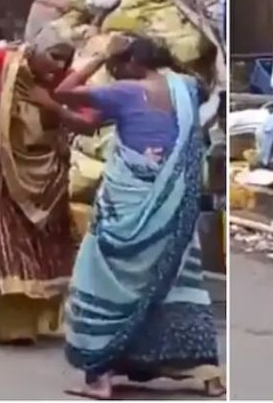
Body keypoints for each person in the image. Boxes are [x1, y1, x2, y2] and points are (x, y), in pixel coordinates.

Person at [49, 34, 225, 399]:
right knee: (179, 280)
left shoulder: (126, 90)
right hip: (174, 204)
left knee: (97, 275)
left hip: (129, 200)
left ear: (129, 63)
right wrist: (57, 115)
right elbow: (90, 123)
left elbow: (65, 91)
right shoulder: (186, 87)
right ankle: (209, 375)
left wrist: (98, 57)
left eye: (117, 65)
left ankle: (99, 376)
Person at [0, 26, 97, 344]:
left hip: (47, 169)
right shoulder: (6, 60)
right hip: (0, 161)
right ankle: (6, 323)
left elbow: (88, 120)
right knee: (3, 236)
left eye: (65, 61)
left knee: (45, 241)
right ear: (36, 51)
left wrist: (52, 105)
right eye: (53, 58)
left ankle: (37, 316)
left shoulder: (66, 80)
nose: (58, 67)